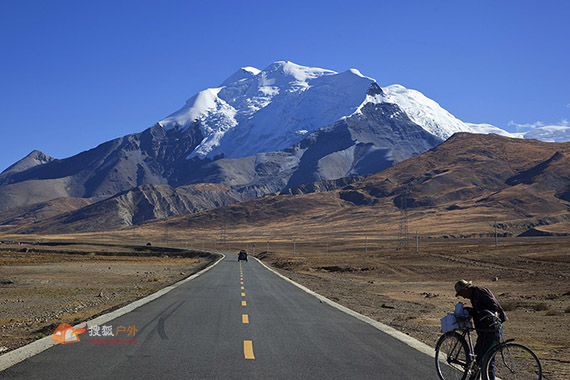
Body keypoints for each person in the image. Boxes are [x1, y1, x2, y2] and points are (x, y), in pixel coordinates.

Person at [455, 280, 507, 380]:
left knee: (486, 360)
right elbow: (479, 310)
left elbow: (493, 307)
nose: (464, 297)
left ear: (465, 289)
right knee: (479, 357)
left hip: (492, 330)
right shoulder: (474, 295)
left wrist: (491, 318)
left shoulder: (479, 291)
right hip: (484, 331)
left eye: (462, 294)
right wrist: (469, 312)